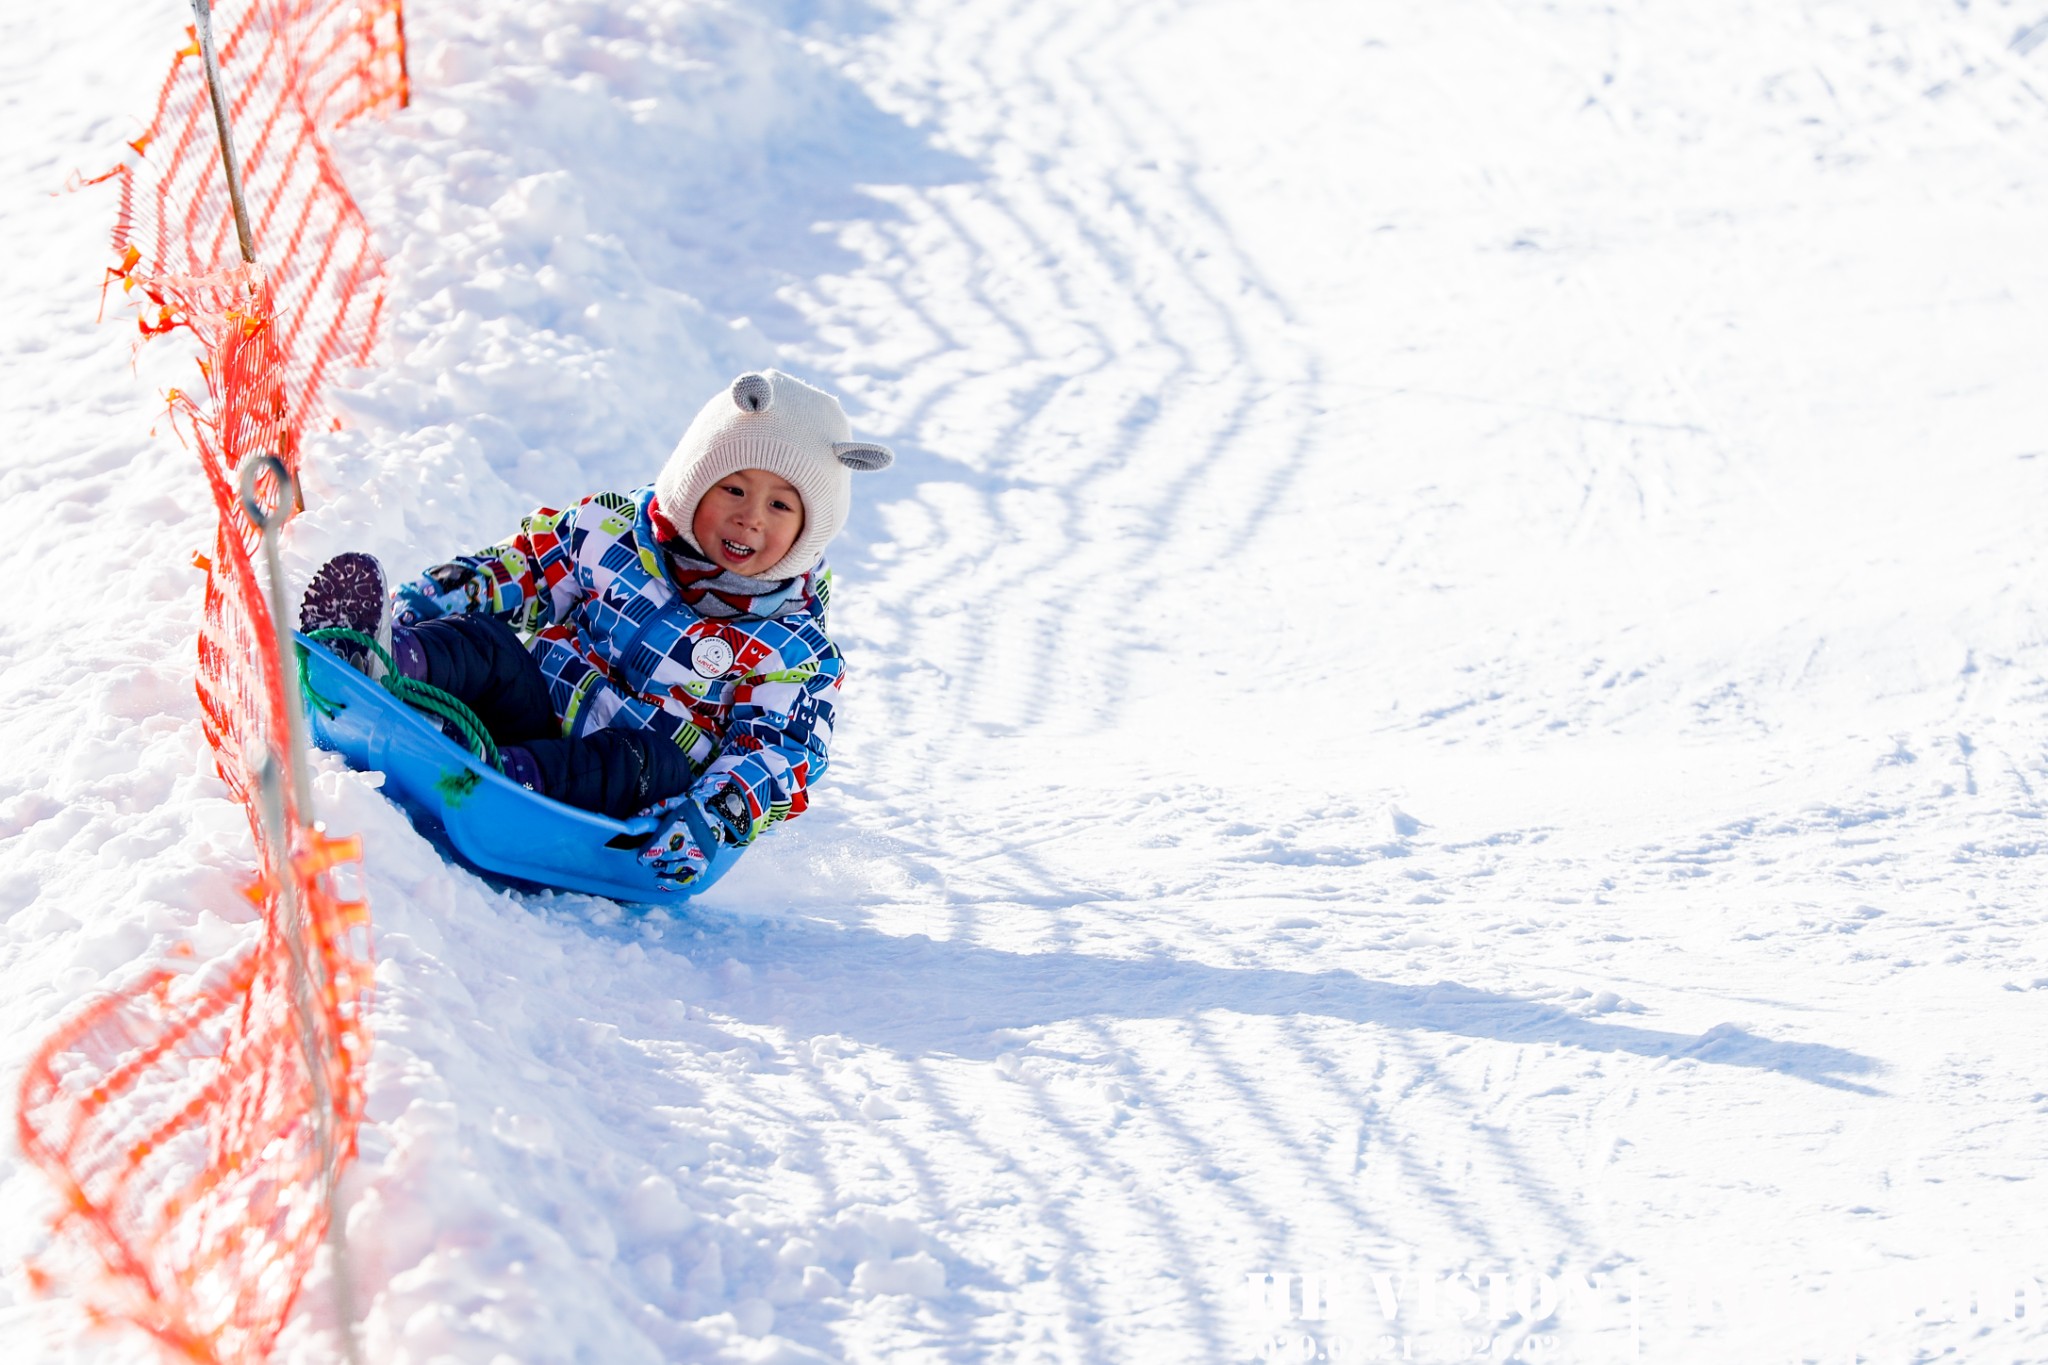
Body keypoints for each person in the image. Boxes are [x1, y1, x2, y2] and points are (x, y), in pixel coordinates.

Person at [299, 369, 892, 888]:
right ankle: (386, 655)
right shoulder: (613, 533)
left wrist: (715, 815)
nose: (749, 516)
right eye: (733, 489)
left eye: (781, 506)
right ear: (692, 483)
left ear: (807, 533)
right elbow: (528, 569)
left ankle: (501, 781)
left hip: (628, 786)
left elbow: (781, 750)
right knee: (492, 645)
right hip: (538, 706)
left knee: (647, 757)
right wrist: (435, 597)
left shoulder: (793, 651)